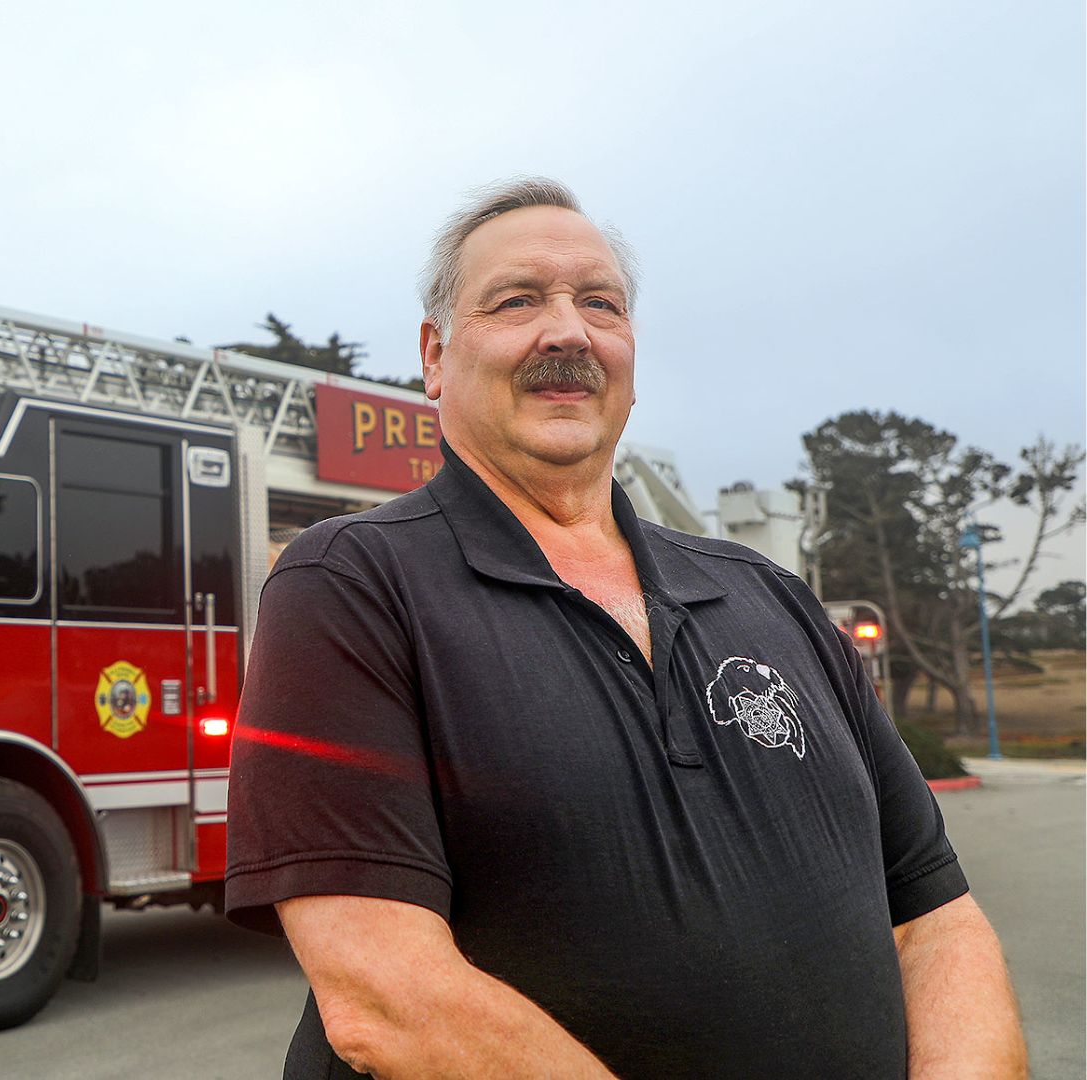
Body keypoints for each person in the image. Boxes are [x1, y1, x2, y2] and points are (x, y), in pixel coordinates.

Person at [223, 177, 1026, 1079]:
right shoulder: (351, 584)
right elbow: (383, 993)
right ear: (436, 355)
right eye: (518, 299)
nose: (567, 331)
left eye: (599, 302)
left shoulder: (772, 598)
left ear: (629, 354)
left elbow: (935, 920)